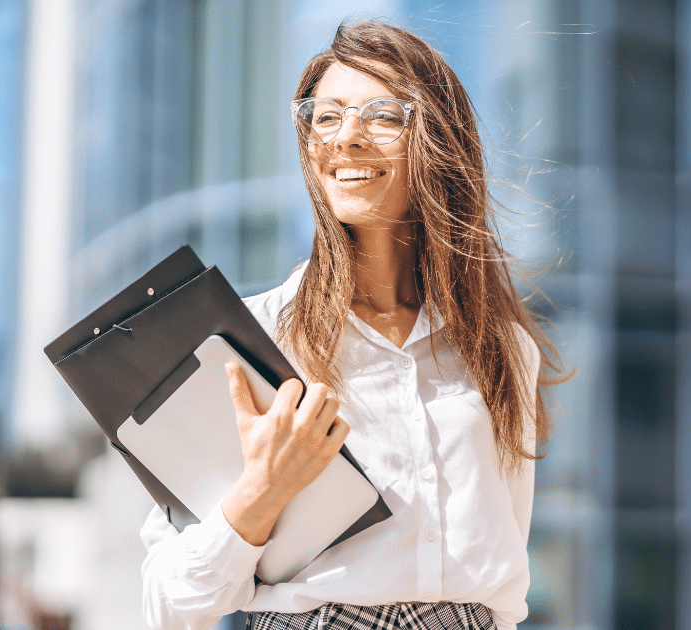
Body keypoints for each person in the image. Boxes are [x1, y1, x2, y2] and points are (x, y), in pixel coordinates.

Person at [140, 20, 562, 630]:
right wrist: (259, 493)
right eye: (327, 116)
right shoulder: (251, 341)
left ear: (437, 142)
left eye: (383, 116)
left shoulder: (502, 348)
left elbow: (504, 581)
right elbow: (167, 605)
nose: (347, 138)